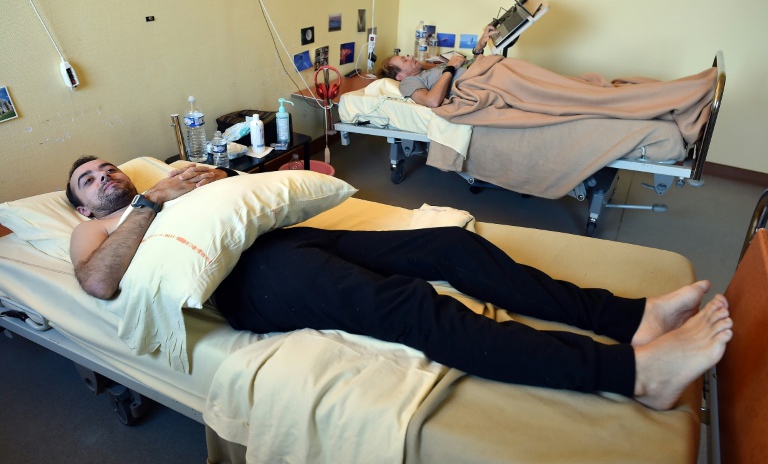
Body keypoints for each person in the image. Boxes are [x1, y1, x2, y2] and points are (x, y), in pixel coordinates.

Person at [67, 155, 733, 411]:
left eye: (106, 168)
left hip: (276, 240)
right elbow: (98, 281)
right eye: (89, 181)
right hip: (248, 282)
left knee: (449, 245)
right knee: (412, 306)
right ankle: (633, 373)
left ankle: (630, 317)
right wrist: (151, 201)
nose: (104, 177)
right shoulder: (96, 229)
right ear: (82, 206)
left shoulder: (168, 179)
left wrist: (214, 180)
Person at [378, 25, 499, 108]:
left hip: (488, 68)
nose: (411, 57)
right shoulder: (409, 82)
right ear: (400, 76)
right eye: (405, 60)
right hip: (488, 78)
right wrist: (450, 68)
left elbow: (470, 65)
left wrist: (479, 46)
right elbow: (432, 101)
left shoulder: (426, 72)